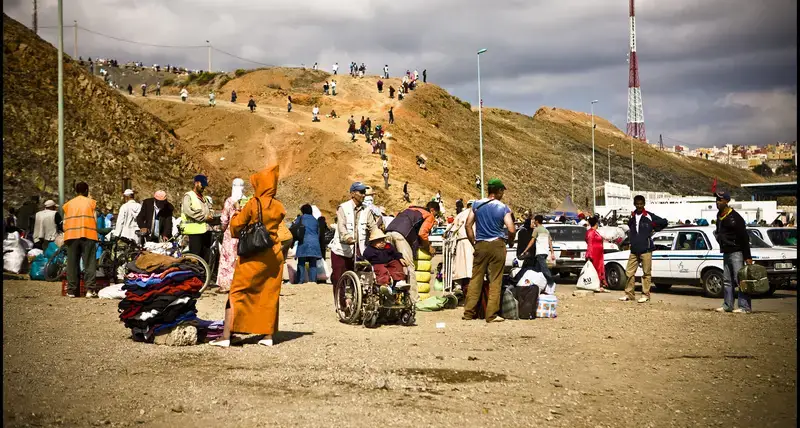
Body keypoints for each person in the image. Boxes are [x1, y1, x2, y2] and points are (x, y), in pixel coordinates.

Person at [210, 164, 286, 348]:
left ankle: (226, 335)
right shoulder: (278, 206)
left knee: (237, 292)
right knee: (269, 294)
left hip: (253, 255)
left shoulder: (253, 203)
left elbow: (235, 227)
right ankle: (267, 335)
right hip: (274, 254)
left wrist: (237, 212)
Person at [462, 179, 515, 322]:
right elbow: (511, 229)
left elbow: (468, 225)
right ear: (498, 191)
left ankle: (469, 313)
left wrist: (474, 242)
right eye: (502, 191)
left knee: (476, 279)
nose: (503, 194)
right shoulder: (503, 208)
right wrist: (510, 241)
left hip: (480, 244)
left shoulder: (477, 204)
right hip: (497, 245)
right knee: (495, 280)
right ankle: (491, 315)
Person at [385, 201, 440, 301]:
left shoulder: (409, 209)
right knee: (409, 266)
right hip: (401, 235)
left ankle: (390, 297)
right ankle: (414, 299)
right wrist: (428, 247)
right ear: (432, 210)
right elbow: (422, 233)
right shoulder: (429, 215)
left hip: (388, 233)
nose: (435, 217)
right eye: (436, 215)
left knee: (392, 264)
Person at [330, 182, 376, 300]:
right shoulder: (343, 208)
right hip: (341, 250)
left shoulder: (367, 210)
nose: (363, 195)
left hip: (359, 248)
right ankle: (341, 304)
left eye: (364, 192)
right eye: (361, 192)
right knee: (339, 278)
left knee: (361, 278)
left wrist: (379, 238)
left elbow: (373, 227)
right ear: (352, 194)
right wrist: (347, 237)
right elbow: (341, 226)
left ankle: (357, 303)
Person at [619, 195, 668, 303]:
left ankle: (645, 295)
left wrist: (654, 227)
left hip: (646, 249)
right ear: (634, 204)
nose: (639, 206)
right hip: (634, 250)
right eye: (637, 204)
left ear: (644, 204)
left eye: (641, 204)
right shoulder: (632, 217)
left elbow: (664, 222)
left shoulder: (649, 216)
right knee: (629, 272)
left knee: (646, 273)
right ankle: (629, 294)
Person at [714, 191, 753, 313]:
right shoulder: (719, 216)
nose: (717, 202)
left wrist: (747, 256)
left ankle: (744, 306)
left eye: (720, 200)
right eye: (716, 200)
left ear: (726, 201)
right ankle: (728, 305)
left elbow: (744, 237)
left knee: (740, 279)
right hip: (726, 251)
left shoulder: (735, 217)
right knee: (727, 280)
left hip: (737, 252)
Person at [62, 182, 100, 298]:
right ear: (86, 190)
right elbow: (95, 220)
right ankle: (89, 290)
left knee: (72, 264)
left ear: (76, 191)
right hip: (88, 235)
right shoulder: (91, 203)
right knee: (89, 263)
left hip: (71, 236)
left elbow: (64, 223)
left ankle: (71, 291)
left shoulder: (68, 204)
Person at [217, 179, 246, 293]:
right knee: (241, 259)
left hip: (230, 234)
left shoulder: (229, 201)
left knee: (227, 259)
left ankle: (226, 285)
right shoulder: (247, 201)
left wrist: (222, 228)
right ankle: (240, 284)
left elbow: (224, 219)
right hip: (243, 234)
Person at [363, 229, 409, 296]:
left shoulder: (388, 246)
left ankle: (399, 281)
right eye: (379, 241)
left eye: (383, 240)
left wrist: (400, 258)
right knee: (381, 269)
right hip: (378, 264)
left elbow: (395, 253)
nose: (382, 242)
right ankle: (385, 285)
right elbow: (364, 258)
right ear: (373, 242)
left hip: (389, 262)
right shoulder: (369, 250)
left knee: (396, 263)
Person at [181, 175, 214, 264]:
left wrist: (211, 215)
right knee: (195, 257)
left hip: (205, 231)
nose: (203, 187)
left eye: (204, 185)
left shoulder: (204, 198)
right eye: (201, 185)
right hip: (194, 232)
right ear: (196, 183)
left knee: (205, 256)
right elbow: (188, 211)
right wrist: (204, 217)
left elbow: (210, 209)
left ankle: (204, 271)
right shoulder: (188, 196)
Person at [447, 199, 475, 293]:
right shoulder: (477, 213)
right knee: (471, 265)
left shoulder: (460, 215)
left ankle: (458, 286)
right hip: (472, 241)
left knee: (460, 265)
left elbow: (453, 229)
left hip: (461, 241)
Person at [292, 204, 322, 284]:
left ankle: (300, 280)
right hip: (315, 243)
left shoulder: (300, 218)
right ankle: (313, 281)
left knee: (301, 262)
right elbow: (318, 233)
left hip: (303, 242)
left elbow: (294, 228)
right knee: (313, 263)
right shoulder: (315, 220)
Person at [585, 216, 609, 292]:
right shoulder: (591, 232)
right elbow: (589, 243)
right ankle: (595, 285)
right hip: (594, 254)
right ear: (596, 223)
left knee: (599, 268)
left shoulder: (595, 232)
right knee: (595, 269)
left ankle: (599, 284)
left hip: (598, 254)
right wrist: (589, 254)